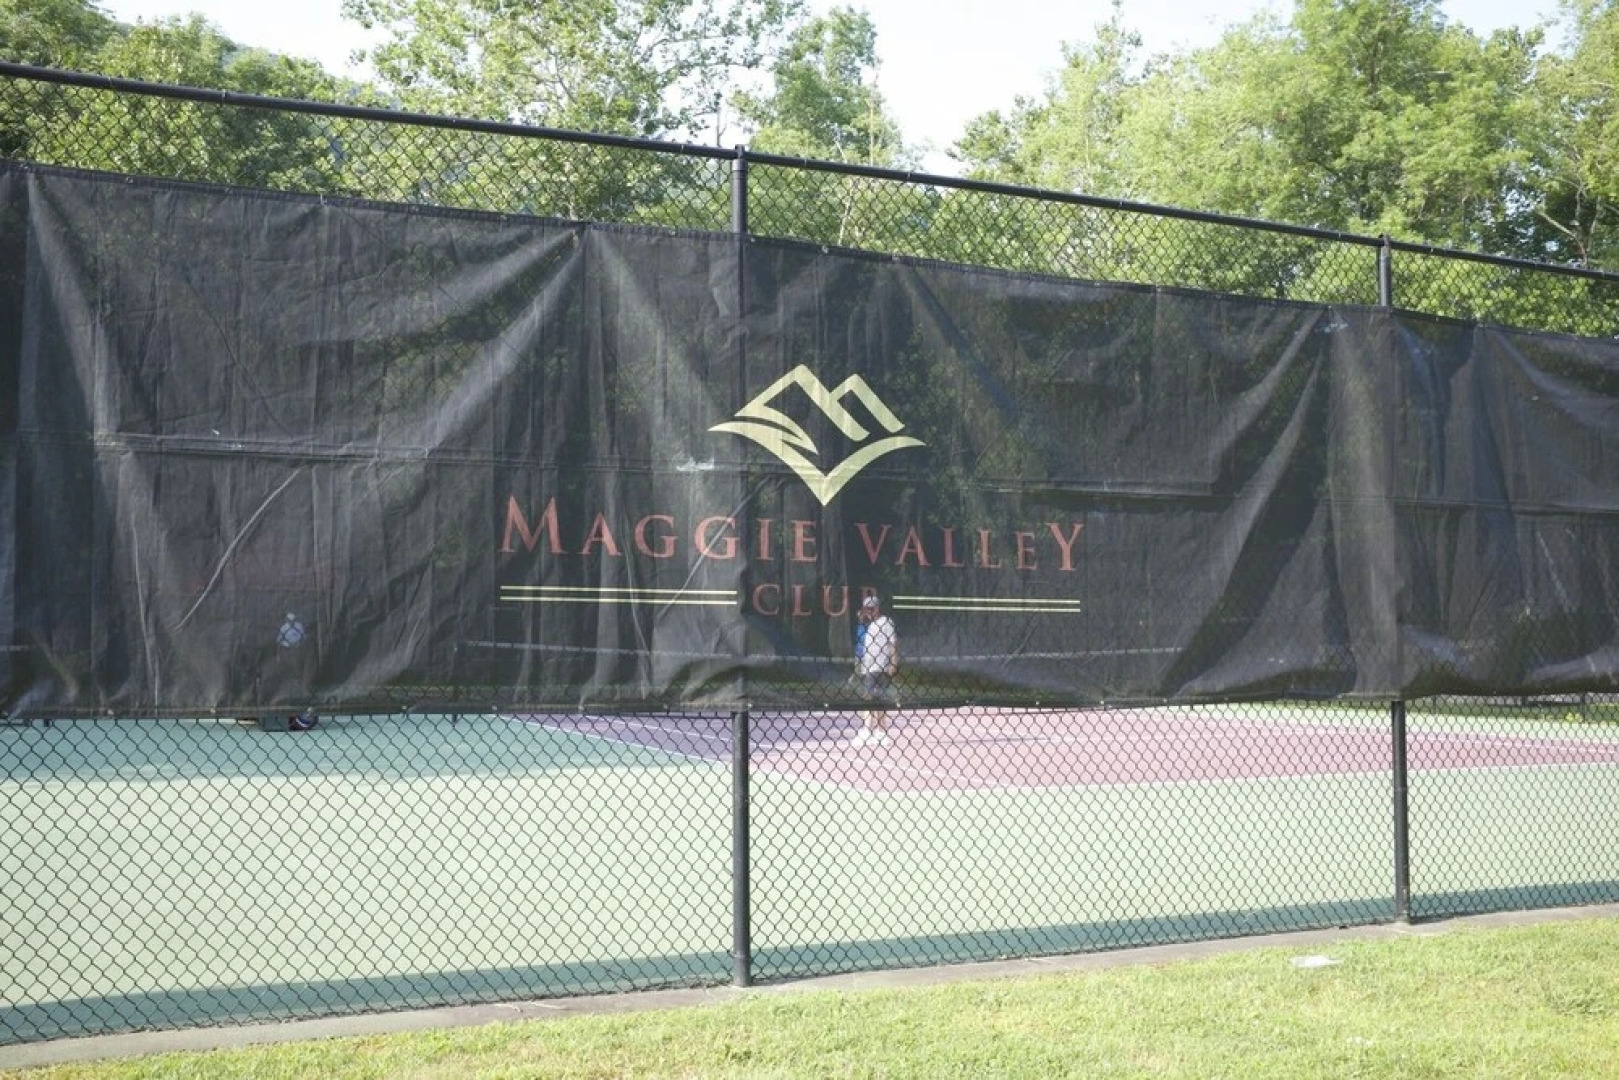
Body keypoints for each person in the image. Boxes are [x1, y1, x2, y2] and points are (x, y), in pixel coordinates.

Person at [850, 594, 899, 746]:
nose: (869, 611)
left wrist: (893, 663)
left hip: (881, 666)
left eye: (871, 608)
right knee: (868, 697)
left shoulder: (886, 622)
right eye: (867, 609)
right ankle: (869, 730)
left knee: (877, 698)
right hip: (867, 666)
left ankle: (880, 731)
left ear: (877, 608)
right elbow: (859, 645)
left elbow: (893, 643)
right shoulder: (866, 625)